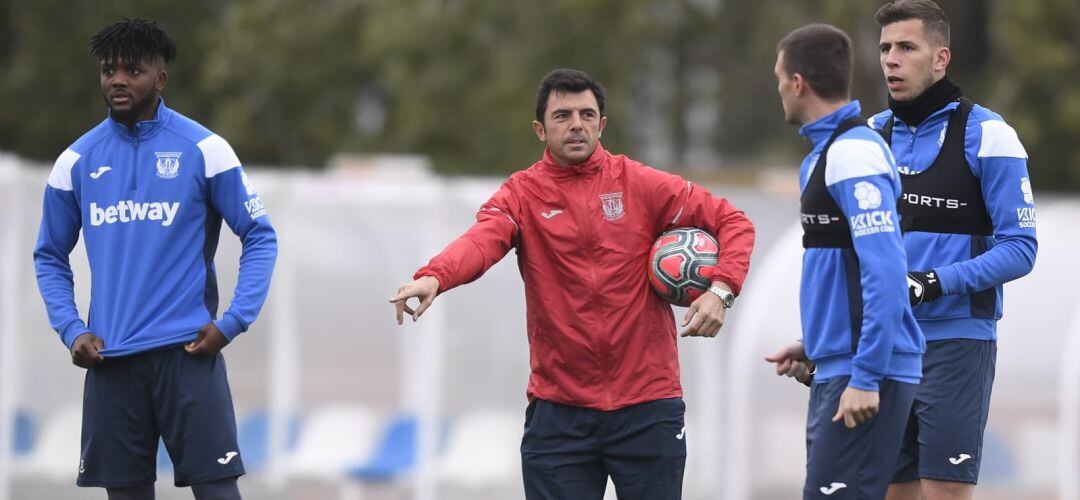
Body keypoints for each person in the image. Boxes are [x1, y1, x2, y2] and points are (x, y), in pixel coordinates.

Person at [390, 68, 754, 499]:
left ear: (602, 125)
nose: (576, 124)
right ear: (540, 130)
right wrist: (435, 275)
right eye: (562, 116)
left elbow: (733, 221)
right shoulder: (522, 194)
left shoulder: (640, 184)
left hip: (648, 407)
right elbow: (483, 239)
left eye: (587, 114)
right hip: (559, 416)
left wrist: (721, 289)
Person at [33, 18, 277, 500]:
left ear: (160, 79)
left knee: (219, 494)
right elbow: (49, 256)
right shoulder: (76, 162)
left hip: (187, 357)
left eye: (133, 70)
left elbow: (260, 236)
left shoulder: (205, 150)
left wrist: (232, 321)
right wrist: (71, 328)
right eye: (108, 71)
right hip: (112, 363)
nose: (118, 81)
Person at [866, 2, 1039, 499]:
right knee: (888, 490)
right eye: (884, 49)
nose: (890, 60)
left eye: (906, 48)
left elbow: (1021, 249)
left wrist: (934, 281)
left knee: (943, 491)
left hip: (958, 344)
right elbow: (852, 250)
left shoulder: (991, 135)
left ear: (941, 58)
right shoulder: (871, 138)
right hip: (885, 341)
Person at [764, 24, 925, 499]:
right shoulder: (824, 155)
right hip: (842, 361)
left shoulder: (853, 153)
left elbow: (887, 270)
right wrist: (815, 342)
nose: (778, 90)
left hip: (865, 369)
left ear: (798, 83)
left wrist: (866, 375)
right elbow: (842, 267)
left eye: (779, 78)